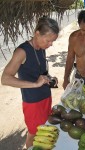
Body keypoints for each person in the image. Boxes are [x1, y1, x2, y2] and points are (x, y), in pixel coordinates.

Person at [1, 16, 59, 148]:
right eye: (48, 40)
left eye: (53, 41)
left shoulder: (41, 49)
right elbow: (5, 78)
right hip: (32, 103)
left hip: (45, 98)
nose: (51, 44)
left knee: (44, 130)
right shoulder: (22, 51)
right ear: (37, 33)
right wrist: (35, 84)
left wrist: (49, 78)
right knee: (33, 134)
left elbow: (39, 73)